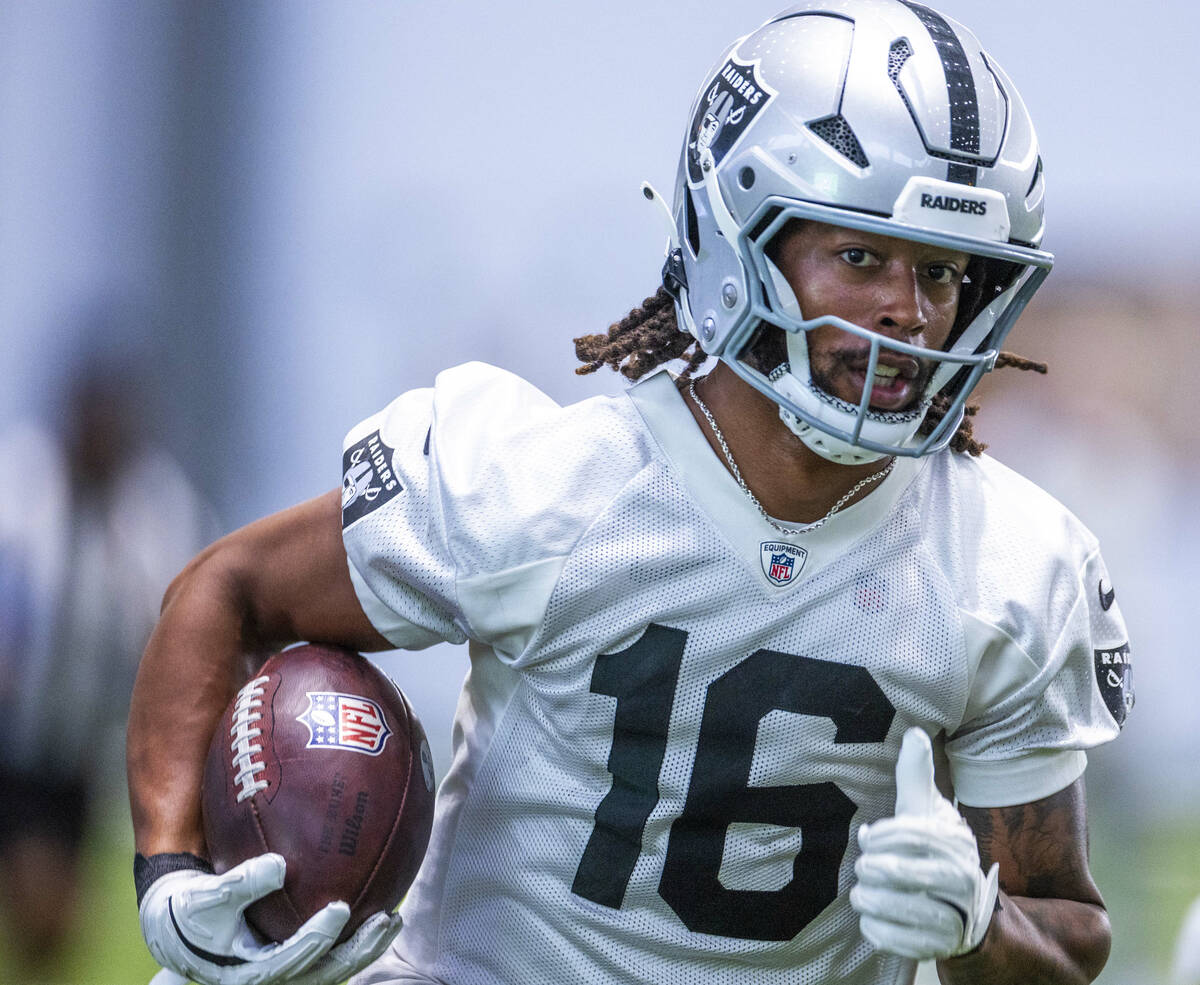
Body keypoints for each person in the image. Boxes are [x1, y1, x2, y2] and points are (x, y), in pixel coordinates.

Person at [127, 2, 1134, 984]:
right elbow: (229, 590)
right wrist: (171, 866)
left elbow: (1066, 928)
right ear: (737, 235)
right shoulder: (543, 487)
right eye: (860, 255)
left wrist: (975, 922)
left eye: (946, 273)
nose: (907, 314)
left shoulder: (1005, 564)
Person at [0, 347, 214, 980]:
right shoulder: (22, 484)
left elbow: (183, 610)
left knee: (50, 922)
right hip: (12, 724)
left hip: (67, 750)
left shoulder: (153, 511)